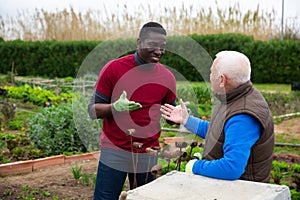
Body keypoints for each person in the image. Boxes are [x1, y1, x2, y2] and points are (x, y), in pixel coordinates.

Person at [88, 22, 176, 200]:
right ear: (139, 43)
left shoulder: (167, 78)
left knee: (144, 197)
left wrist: (176, 116)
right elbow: (92, 110)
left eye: (162, 47)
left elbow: (170, 117)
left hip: (148, 152)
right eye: (153, 45)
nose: (158, 51)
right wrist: (115, 107)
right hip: (114, 149)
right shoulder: (114, 68)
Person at [161, 50, 274, 183]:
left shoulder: (243, 116)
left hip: (242, 192)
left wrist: (195, 166)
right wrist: (186, 120)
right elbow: (219, 131)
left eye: (212, 72)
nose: (209, 77)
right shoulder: (234, 97)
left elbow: (231, 168)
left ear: (222, 80)